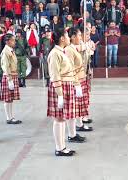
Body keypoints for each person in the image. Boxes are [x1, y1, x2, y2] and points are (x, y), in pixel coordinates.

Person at [47, 28, 82, 156]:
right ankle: (59, 148)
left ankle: (62, 146)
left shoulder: (61, 52)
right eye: (67, 36)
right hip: (60, 87)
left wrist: (75, 84)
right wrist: (60, 94)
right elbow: (55, 75)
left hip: (66, 86)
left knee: (62, 118)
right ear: (62, 38)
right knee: (58, 118)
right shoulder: (55, 53)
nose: (68, 38)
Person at [65, 27, 93, 133]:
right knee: (76, 104)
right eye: (79, 35)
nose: (81, 37)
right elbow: (71, 68)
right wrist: (76, 83)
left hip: (82, 76)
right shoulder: (69, 49)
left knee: (81, 103)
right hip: (76, 78)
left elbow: (82, 49)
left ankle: (80, 123)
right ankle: (77, 126)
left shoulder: (74, 47)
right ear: (72, 37)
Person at [0, 33, 22, 125]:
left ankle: (10, 116)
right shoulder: (6, 52)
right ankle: (8, 118)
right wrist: (9, 80)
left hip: (12, 75)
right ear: (7, 41)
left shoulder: (10, 50)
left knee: (10, 99)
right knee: (7, 99)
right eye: (12, 40)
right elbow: (5, 66)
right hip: (9, 76)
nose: (14, 42)